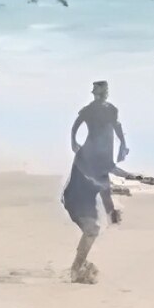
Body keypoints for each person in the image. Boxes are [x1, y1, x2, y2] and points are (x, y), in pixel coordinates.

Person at [62, 80, 139, 284]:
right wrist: (72, 141)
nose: (101, 96)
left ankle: (77, 267)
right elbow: (102, 179)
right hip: (78, 193)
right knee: (92, 229)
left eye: (102, 93)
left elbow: (117, 127)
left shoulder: (110, 112)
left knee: (92, 229)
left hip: (92, 174)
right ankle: (76, 270)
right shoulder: (90, 114)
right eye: (99, 93)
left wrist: (123, 144)